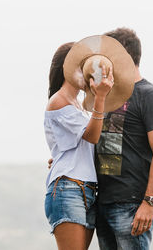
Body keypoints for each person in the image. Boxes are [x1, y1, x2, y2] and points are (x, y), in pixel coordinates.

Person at [94, 28, 153, 250]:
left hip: (131, 205)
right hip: (104, 202)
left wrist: (149, 202)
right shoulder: (106, 96)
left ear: (123, 57)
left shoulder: (149, 96)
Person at [44, 41, 114, 250]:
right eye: (84, 66)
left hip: (87, 189)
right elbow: (91, 137)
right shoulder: (59, 101)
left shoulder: (79, 107)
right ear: (68, 68)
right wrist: (100, 97)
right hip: (69, 188)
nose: (90, 72)